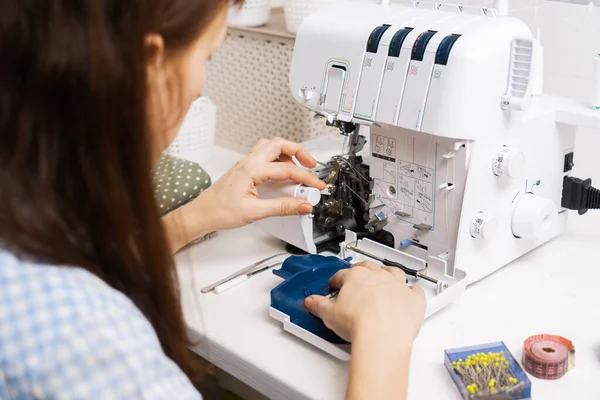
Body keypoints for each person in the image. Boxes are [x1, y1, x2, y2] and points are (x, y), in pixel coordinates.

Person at [0, 0, 426, 399]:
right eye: (208, 56)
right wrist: (383, 334)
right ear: (149, 68)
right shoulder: (88, 346)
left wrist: (198, 215)